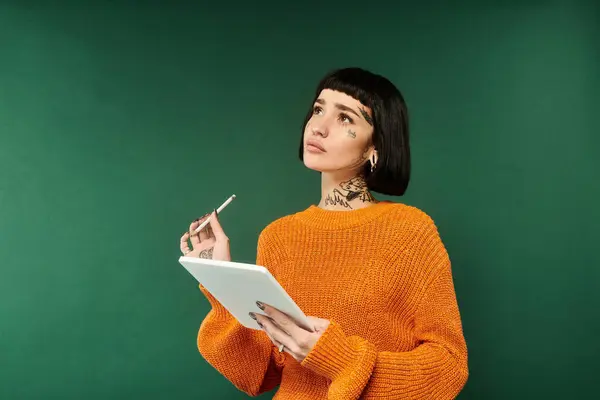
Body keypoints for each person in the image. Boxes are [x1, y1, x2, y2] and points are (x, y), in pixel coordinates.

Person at [179, 67, 469, 399]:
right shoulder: (279, 236)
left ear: (376, 148)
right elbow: (259, 372)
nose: (319, 126)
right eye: (318, 110)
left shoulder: (408, 232)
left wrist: (339, 359)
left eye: (346, 118)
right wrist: (222, 279)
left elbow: (449, 368)